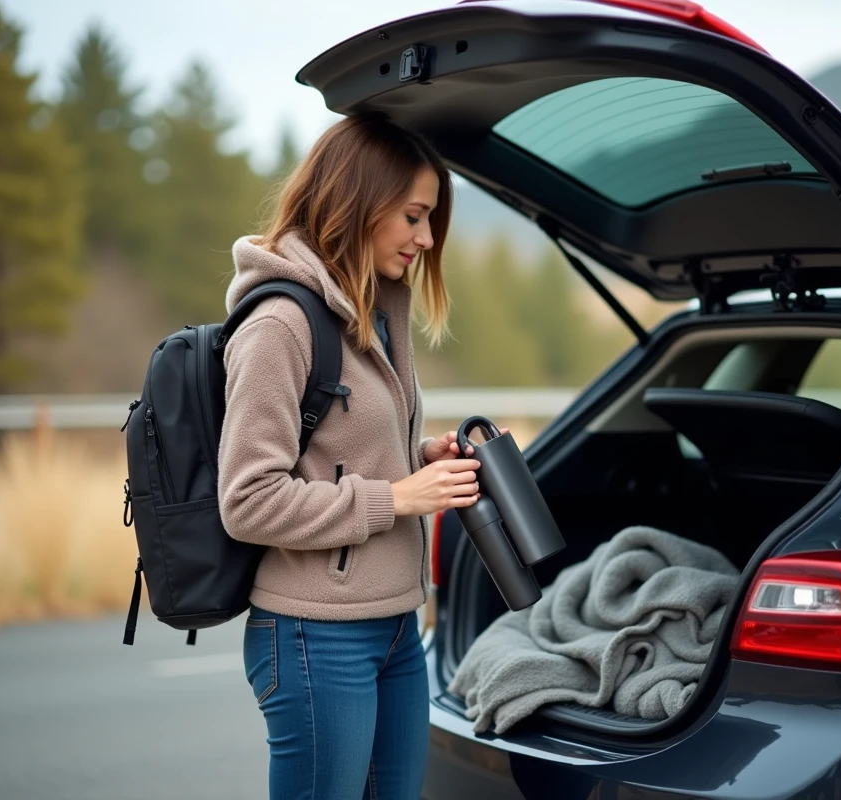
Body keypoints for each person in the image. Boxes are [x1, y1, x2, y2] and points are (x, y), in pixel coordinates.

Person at [217, 112, 481, 800]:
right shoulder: (280, 325)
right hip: (314, 637)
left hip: (396, 627)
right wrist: (397, 497)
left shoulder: (376, 313)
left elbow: (337, 448)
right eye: (415, 217)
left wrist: (417, 458)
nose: (426, 239)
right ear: (361, 202)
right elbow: (248, 499)